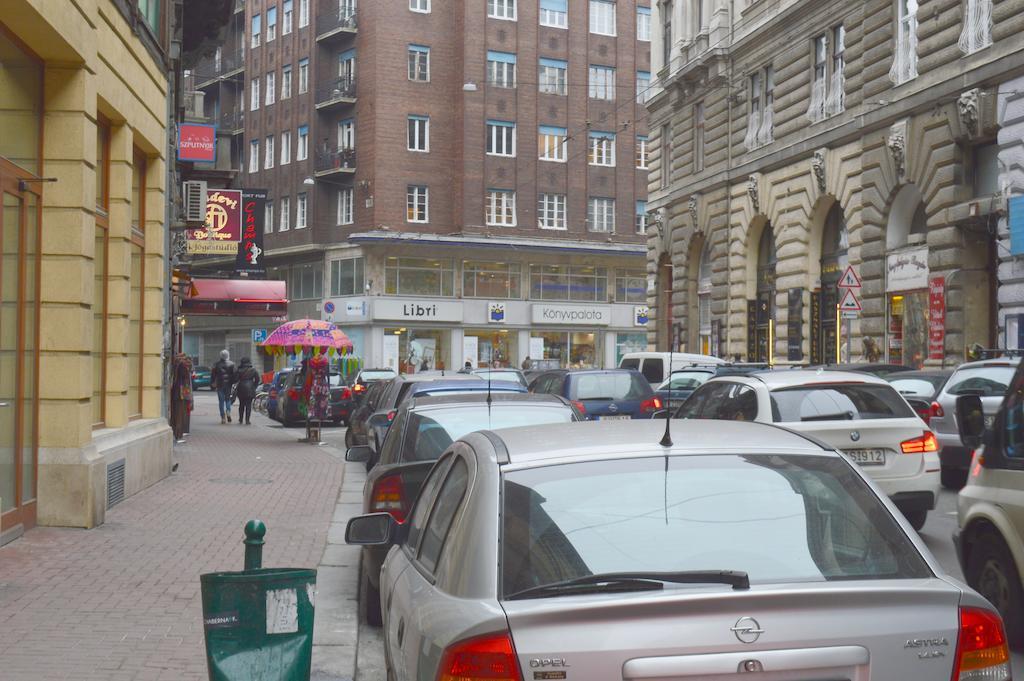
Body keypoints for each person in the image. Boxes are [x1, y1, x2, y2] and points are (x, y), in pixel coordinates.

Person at [169, 353, 193, 442]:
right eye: (185, 359)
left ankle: (177, 433)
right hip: (181, 395)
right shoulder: (182, 366)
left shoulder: (175, 366)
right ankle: (178, 435)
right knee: (180, 415)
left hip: (176, 393)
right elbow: (186, 379)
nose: (187, 361)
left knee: (176, 415)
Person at [212, 349, 237, 424]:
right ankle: (228, 411)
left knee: (221, 401)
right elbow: (235, 375)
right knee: (228, 399)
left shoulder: (216, 364)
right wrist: (233, 382)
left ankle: (223, 417)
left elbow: (213, 374)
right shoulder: (232, 364)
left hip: (220, 384)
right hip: (228, 384)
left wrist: (213, 383)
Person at [235, 357, 260, 425]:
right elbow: (257, 379)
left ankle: (240, 419)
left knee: (241, 404)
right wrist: (254, 386)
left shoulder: (239, 370)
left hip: (241, 388)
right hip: (250, 388)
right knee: (248, 405)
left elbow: (236, 379)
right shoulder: (253, 370)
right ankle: (247, 420)